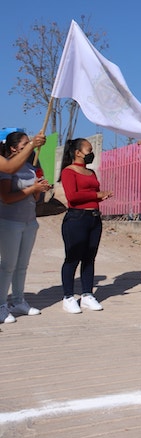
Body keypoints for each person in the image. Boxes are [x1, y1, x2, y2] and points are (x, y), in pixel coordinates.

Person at [0, 131, 51, 323]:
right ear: (13, 148)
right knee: (7, 266)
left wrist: (39, 189)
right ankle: (1, 305)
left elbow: (34, 198)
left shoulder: (31, 168)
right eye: (25, 144)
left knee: (22, 265)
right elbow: (6, 198)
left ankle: (18, 300)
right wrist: (32, 189)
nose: (29, 146)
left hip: (29, 221)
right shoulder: (5, 168)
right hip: (9, 222)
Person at [59, 138, 113, 314]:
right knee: (73, 257)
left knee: (89, 257)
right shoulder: (68, 172)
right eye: (88, 150)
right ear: (78, 152)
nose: (91, 153)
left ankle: (87, 294)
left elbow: (91, 194)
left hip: (94, 218)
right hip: (77, 218)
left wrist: (100, 196)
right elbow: (72, 197)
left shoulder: (91, 173)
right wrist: (96, 195)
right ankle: (68, 296)